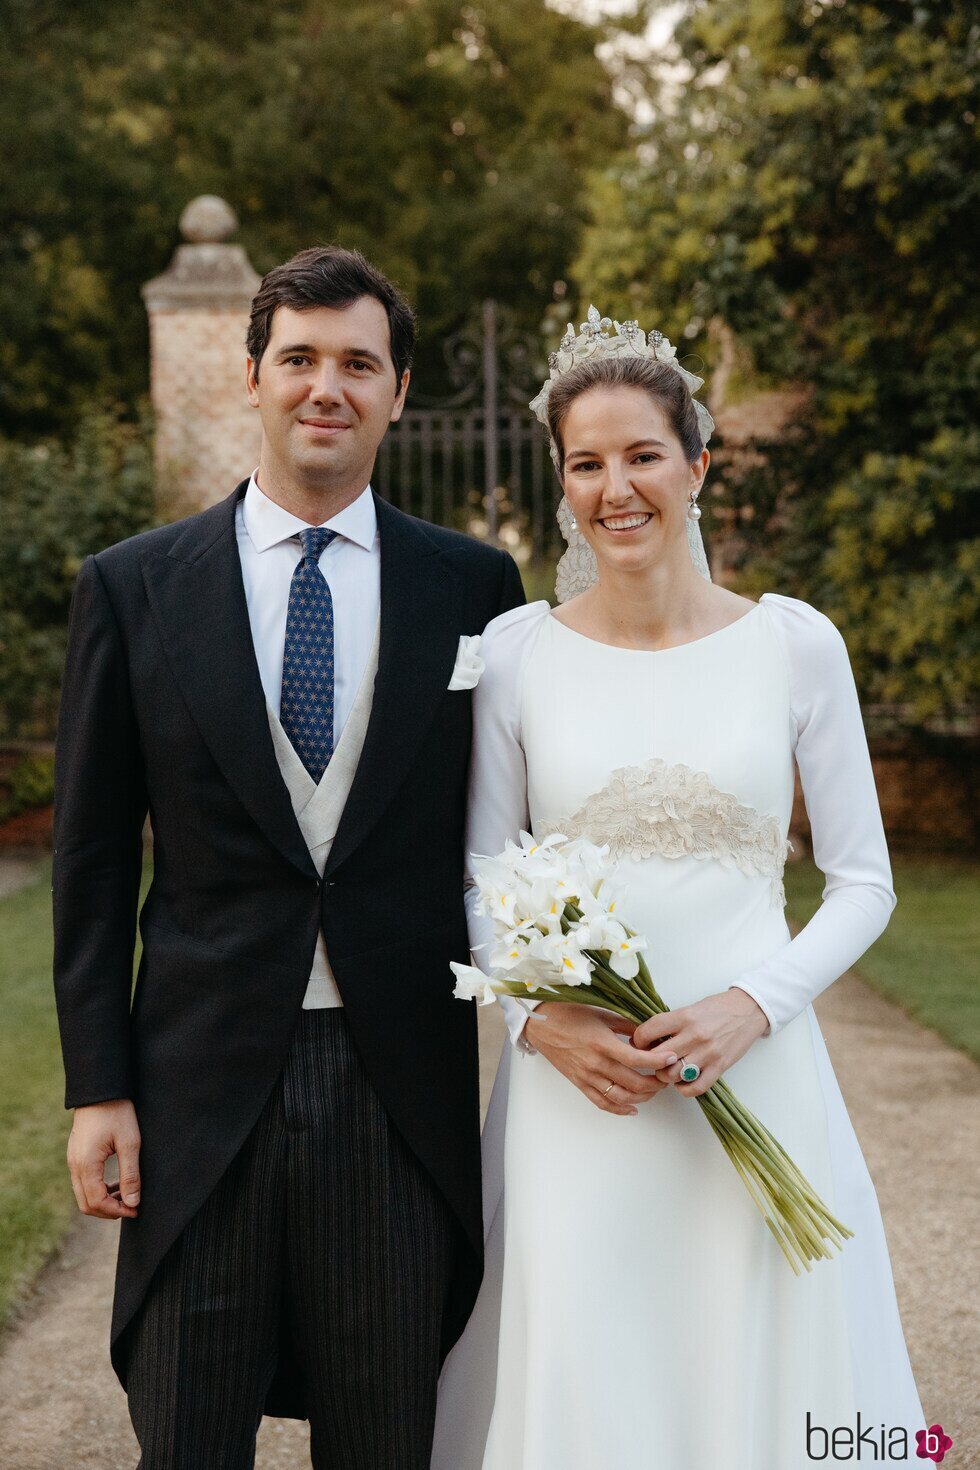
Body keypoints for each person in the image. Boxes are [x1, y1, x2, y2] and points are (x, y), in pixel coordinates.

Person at [52, 245, 525, 1469]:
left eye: (358, 363)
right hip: (198, 1090)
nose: (328, 386)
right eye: (301, 359)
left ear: (398, 392)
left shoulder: (476, 588)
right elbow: (93, 859)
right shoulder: (134, 588)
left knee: (384, 1440)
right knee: (188, 1435)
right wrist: (98, 1087)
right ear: (251, 372)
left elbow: (516, 832)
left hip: (396, 1091)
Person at [432, 313, 925, 1467]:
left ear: (695, 464)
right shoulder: (514, 655)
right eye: (585, 463)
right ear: (562, 484)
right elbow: (476, 874)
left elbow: (862, 882)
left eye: (641, 455)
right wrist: (541, 1022)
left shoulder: (796, 647)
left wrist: (753, 1003)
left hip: (760, 1073)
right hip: (578, 1099)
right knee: (593, 1365)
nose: (615, 488)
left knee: (759, 1353)